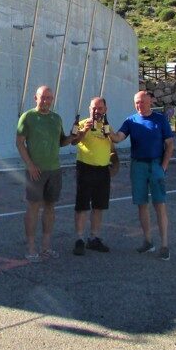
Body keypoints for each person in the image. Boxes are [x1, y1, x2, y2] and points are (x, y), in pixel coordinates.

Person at [109, 90, 174, 260]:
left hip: (155, 165)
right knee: (141, 204)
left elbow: (170, 144)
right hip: (137, 165)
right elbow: (118, 138)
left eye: (142, 102)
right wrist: (106, 127)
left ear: (150, 102)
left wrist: (164, 167)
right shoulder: (131, 121)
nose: (139, 105)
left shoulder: (160, 120)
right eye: (137, 102)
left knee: (159, 204)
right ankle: (147, 241)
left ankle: (165, 244)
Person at [16, 85, 79, 261]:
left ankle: (45, 247)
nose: (46, 101)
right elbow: (20, 142)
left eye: (49, 98)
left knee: (50, 207)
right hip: (35, 171)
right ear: (35, 98)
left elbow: (62, 142)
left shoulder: (56, 118)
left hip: (54, 170)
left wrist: (74, 136)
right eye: (43, 97)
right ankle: (30, 248)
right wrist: (30, 165)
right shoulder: (27, 117)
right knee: (33, 207)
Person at [72, 97, 117, 256]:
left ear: (105, 110)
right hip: (85, 168)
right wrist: (84, 130)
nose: (97, 111)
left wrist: (108, 132)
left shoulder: (107, 126)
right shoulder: (81, 123)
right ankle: (79, 239)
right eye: (94, 108)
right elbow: (73, 140)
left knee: (99, 206)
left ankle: (94, 238)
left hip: (103, 170)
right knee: (82, 206)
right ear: (89, 108)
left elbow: (116, 140)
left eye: (100, 108)